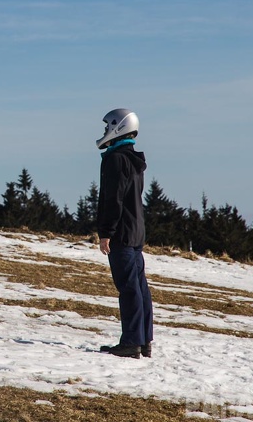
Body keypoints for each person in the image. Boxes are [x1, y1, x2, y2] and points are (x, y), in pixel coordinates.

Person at [94, 108, 153, 358]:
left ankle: (131, 343)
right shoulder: (132, 159)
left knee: (129, 288)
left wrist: (106, 232)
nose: (105, 130)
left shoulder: (115, 159)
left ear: (119, 127)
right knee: (139, 287)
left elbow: (113, 199)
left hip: (122, 234)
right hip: (135, 231)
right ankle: (143, 341)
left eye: (109, 125)